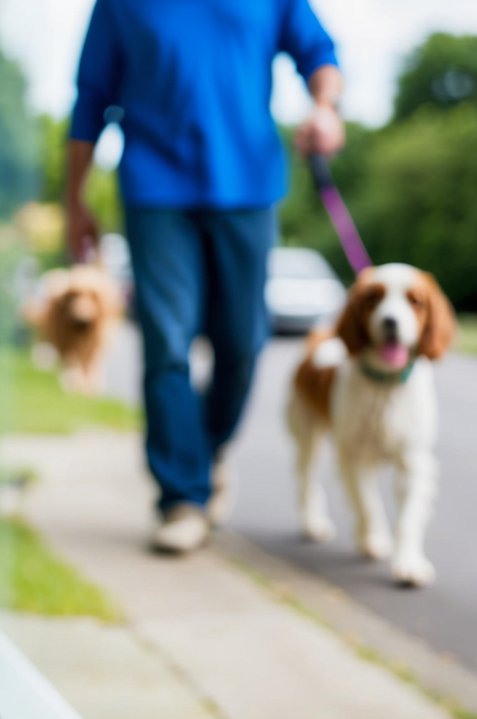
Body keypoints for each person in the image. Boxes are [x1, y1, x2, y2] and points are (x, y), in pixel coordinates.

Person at [65, 0, 345, 553]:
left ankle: (204, 450)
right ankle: (182, 498)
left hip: (249, 188)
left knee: (242, 343)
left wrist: (325, 107)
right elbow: (90, 98)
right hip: (155, 191)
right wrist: (74, 199)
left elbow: (319, 53)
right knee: (167, 342)